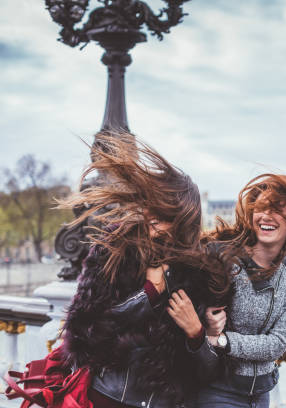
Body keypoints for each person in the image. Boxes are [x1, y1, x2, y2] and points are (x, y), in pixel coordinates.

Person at [60, 133, 233, 408]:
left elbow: (207, 373)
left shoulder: (201, 273)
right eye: (152, 205)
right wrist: (148, 295)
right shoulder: (112, 250)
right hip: (108, 397)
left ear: (183, 220)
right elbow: (82, 335)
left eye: (165, 213)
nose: (153, 215)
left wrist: (196, 333)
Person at [185, 174, 286, 408]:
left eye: (277, 209)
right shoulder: (221, 258)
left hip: (262, 393)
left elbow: (277, 344)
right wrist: (206, 324)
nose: (267, 215)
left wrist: (223, 340)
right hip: (216, 388)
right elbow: (189, 315)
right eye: (261, 208)